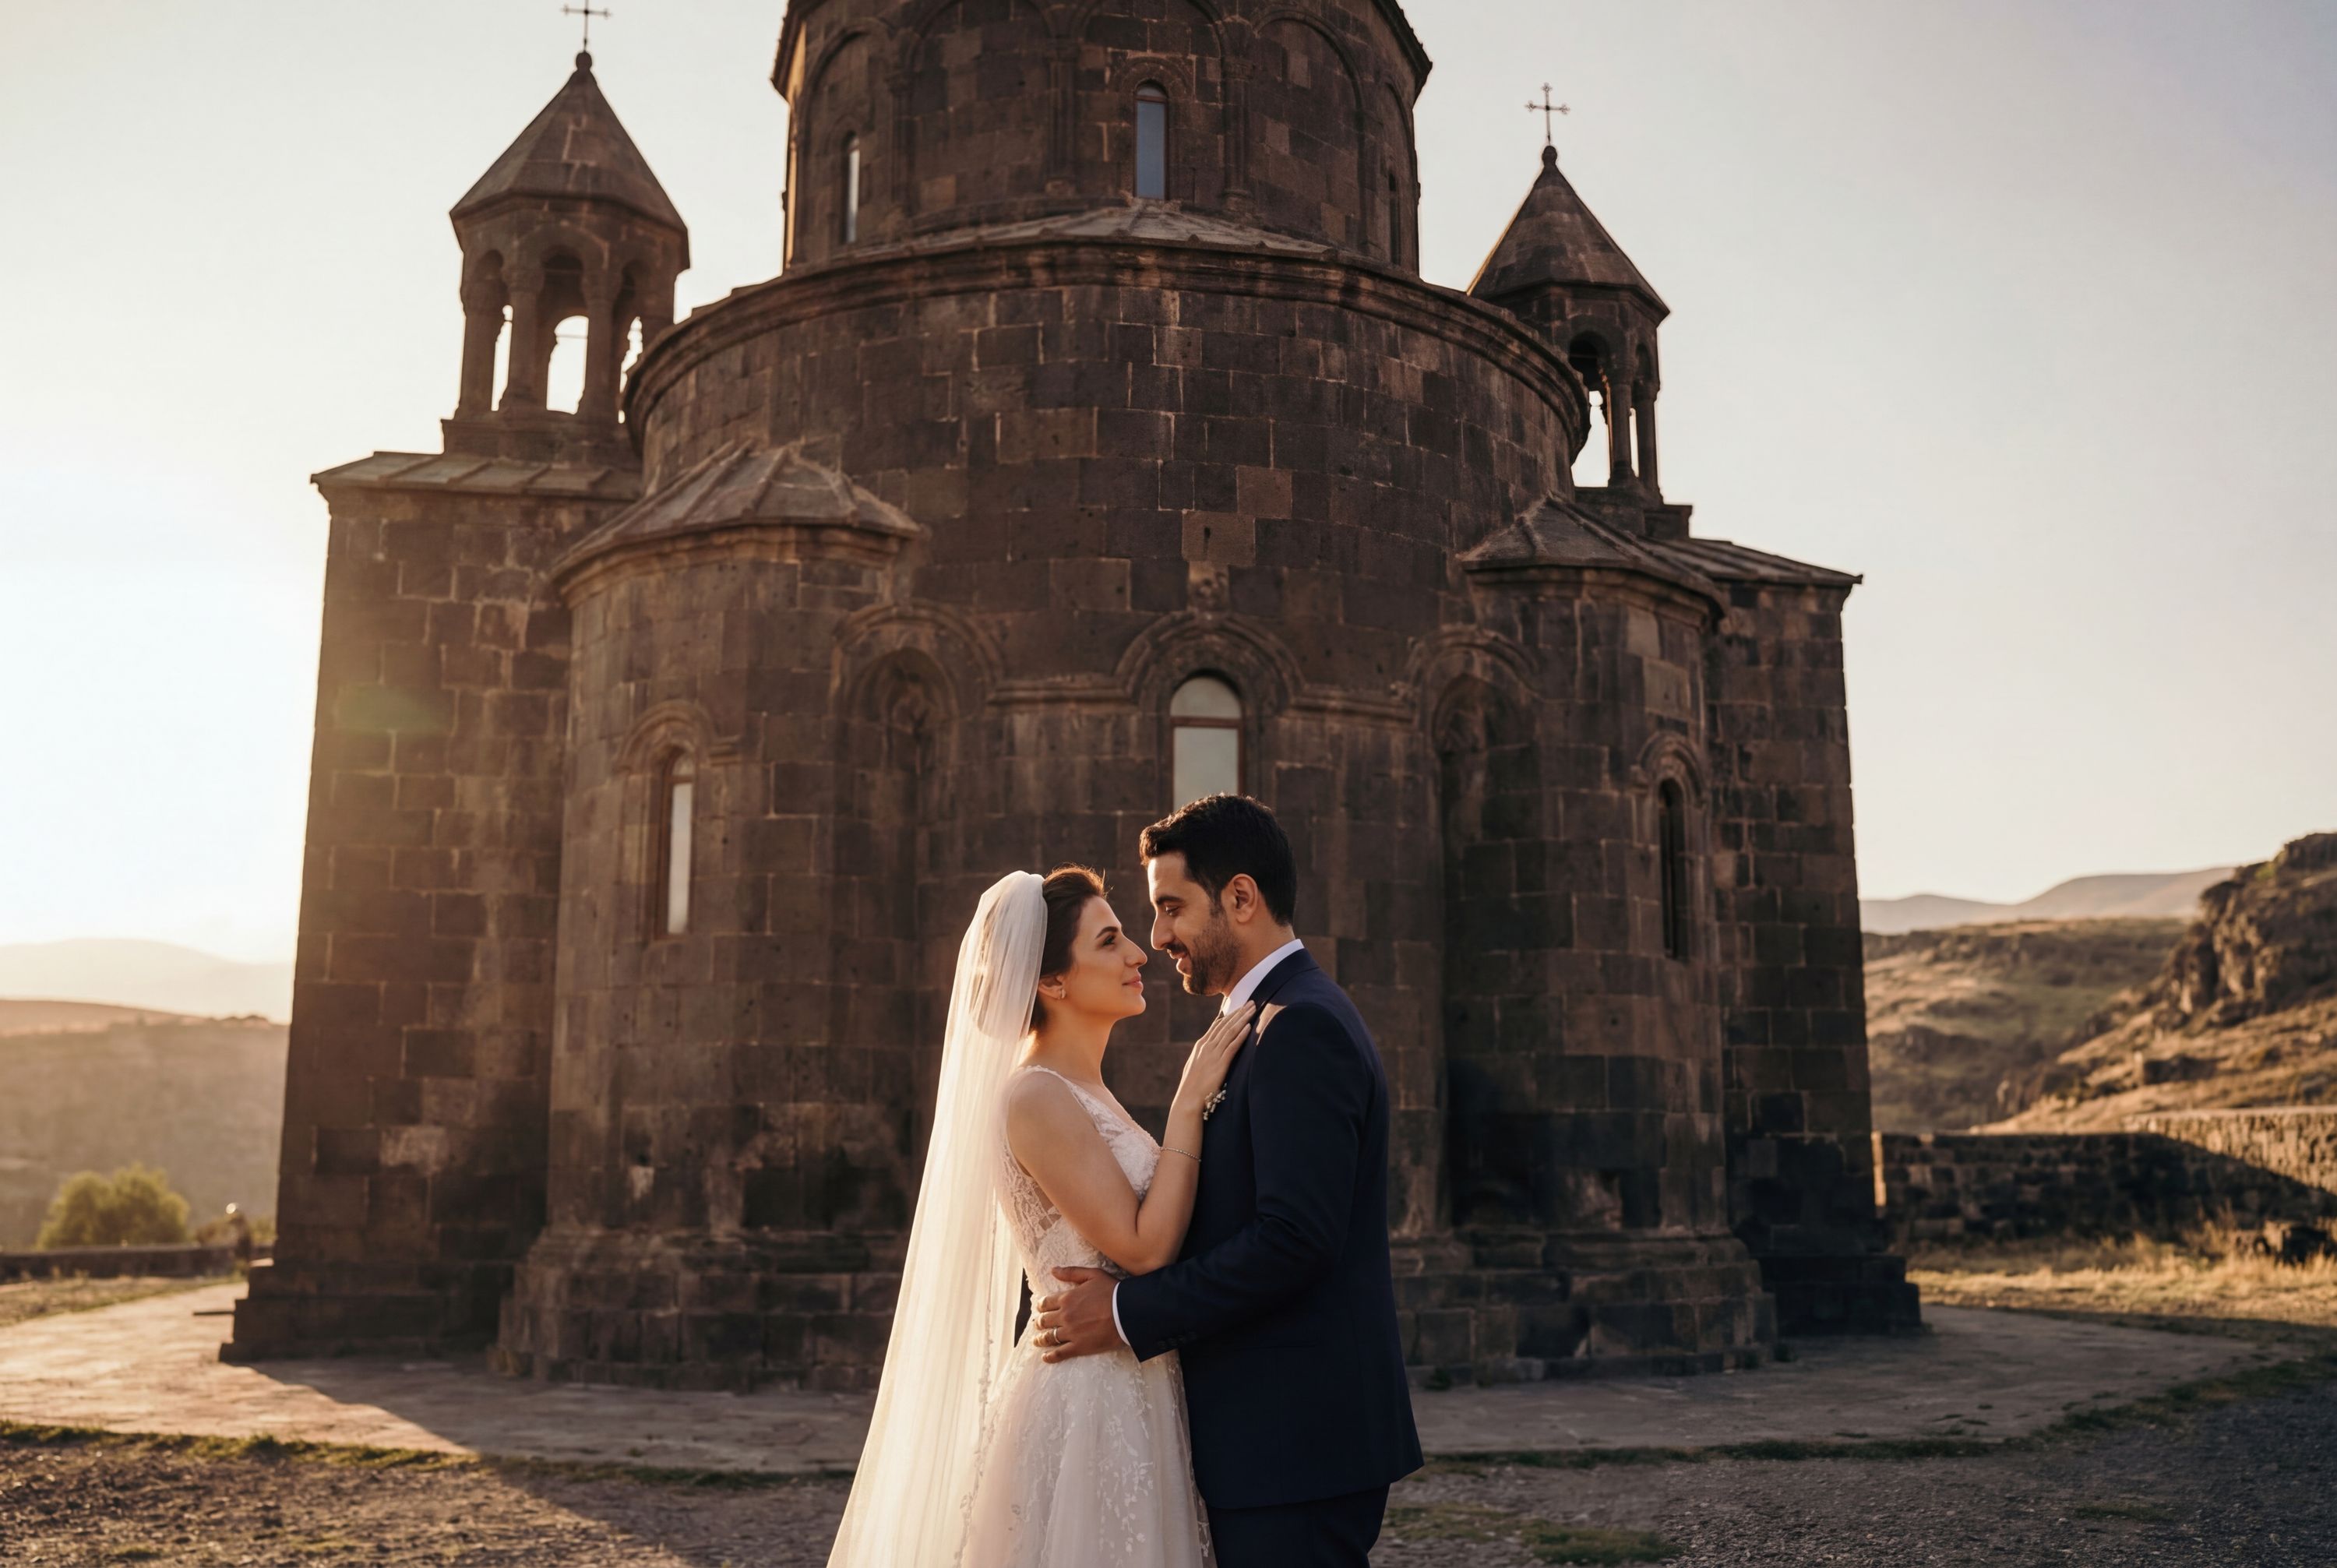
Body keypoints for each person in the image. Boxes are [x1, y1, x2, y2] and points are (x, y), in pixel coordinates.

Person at [1033, 795, 1423, 1567]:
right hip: (1268, 1445)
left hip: (1295, 1447)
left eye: (1171, 907)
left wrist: (1127, 1312)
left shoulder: (1300, 1025)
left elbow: (1295, 1240)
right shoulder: (1266, 1019)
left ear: (1241, 897)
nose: (1158, 937)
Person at [827, 864, 1253, 1568]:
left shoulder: (1086, 1090)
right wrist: (1187, 1105)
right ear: (1052, 981)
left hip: (1132, 1379)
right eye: (1109, 941)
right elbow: (1144, 1248)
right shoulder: (1035, 1096)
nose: (1138, 953)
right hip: (1087, 1396)